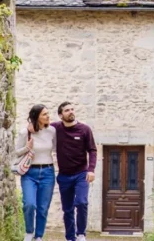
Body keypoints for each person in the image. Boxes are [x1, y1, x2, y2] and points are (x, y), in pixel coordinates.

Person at [52, 101, 97, 241]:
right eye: (67, 110)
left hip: (81, 174)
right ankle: (70, 237)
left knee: (82, 202)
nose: (71, 112)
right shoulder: (55, 128)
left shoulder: (84, 129)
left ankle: (81, 234)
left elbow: (92, 150)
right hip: (64, 176)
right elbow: (40, 127)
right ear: (60, 115)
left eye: (72, 109)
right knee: (68, 209)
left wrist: (91, 169)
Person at [17, 104, 57, 241]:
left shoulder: (52, 131)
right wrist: (26, 148)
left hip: (48, 172)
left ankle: (38, 236)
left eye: (48, 113)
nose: (48, 116)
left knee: (43, 207)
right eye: (44, 114)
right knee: (29, 204)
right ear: (37, 117)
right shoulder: (25, 133)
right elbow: (15, 152)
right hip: (29, 173)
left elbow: (57, 149)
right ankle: (29, 232)